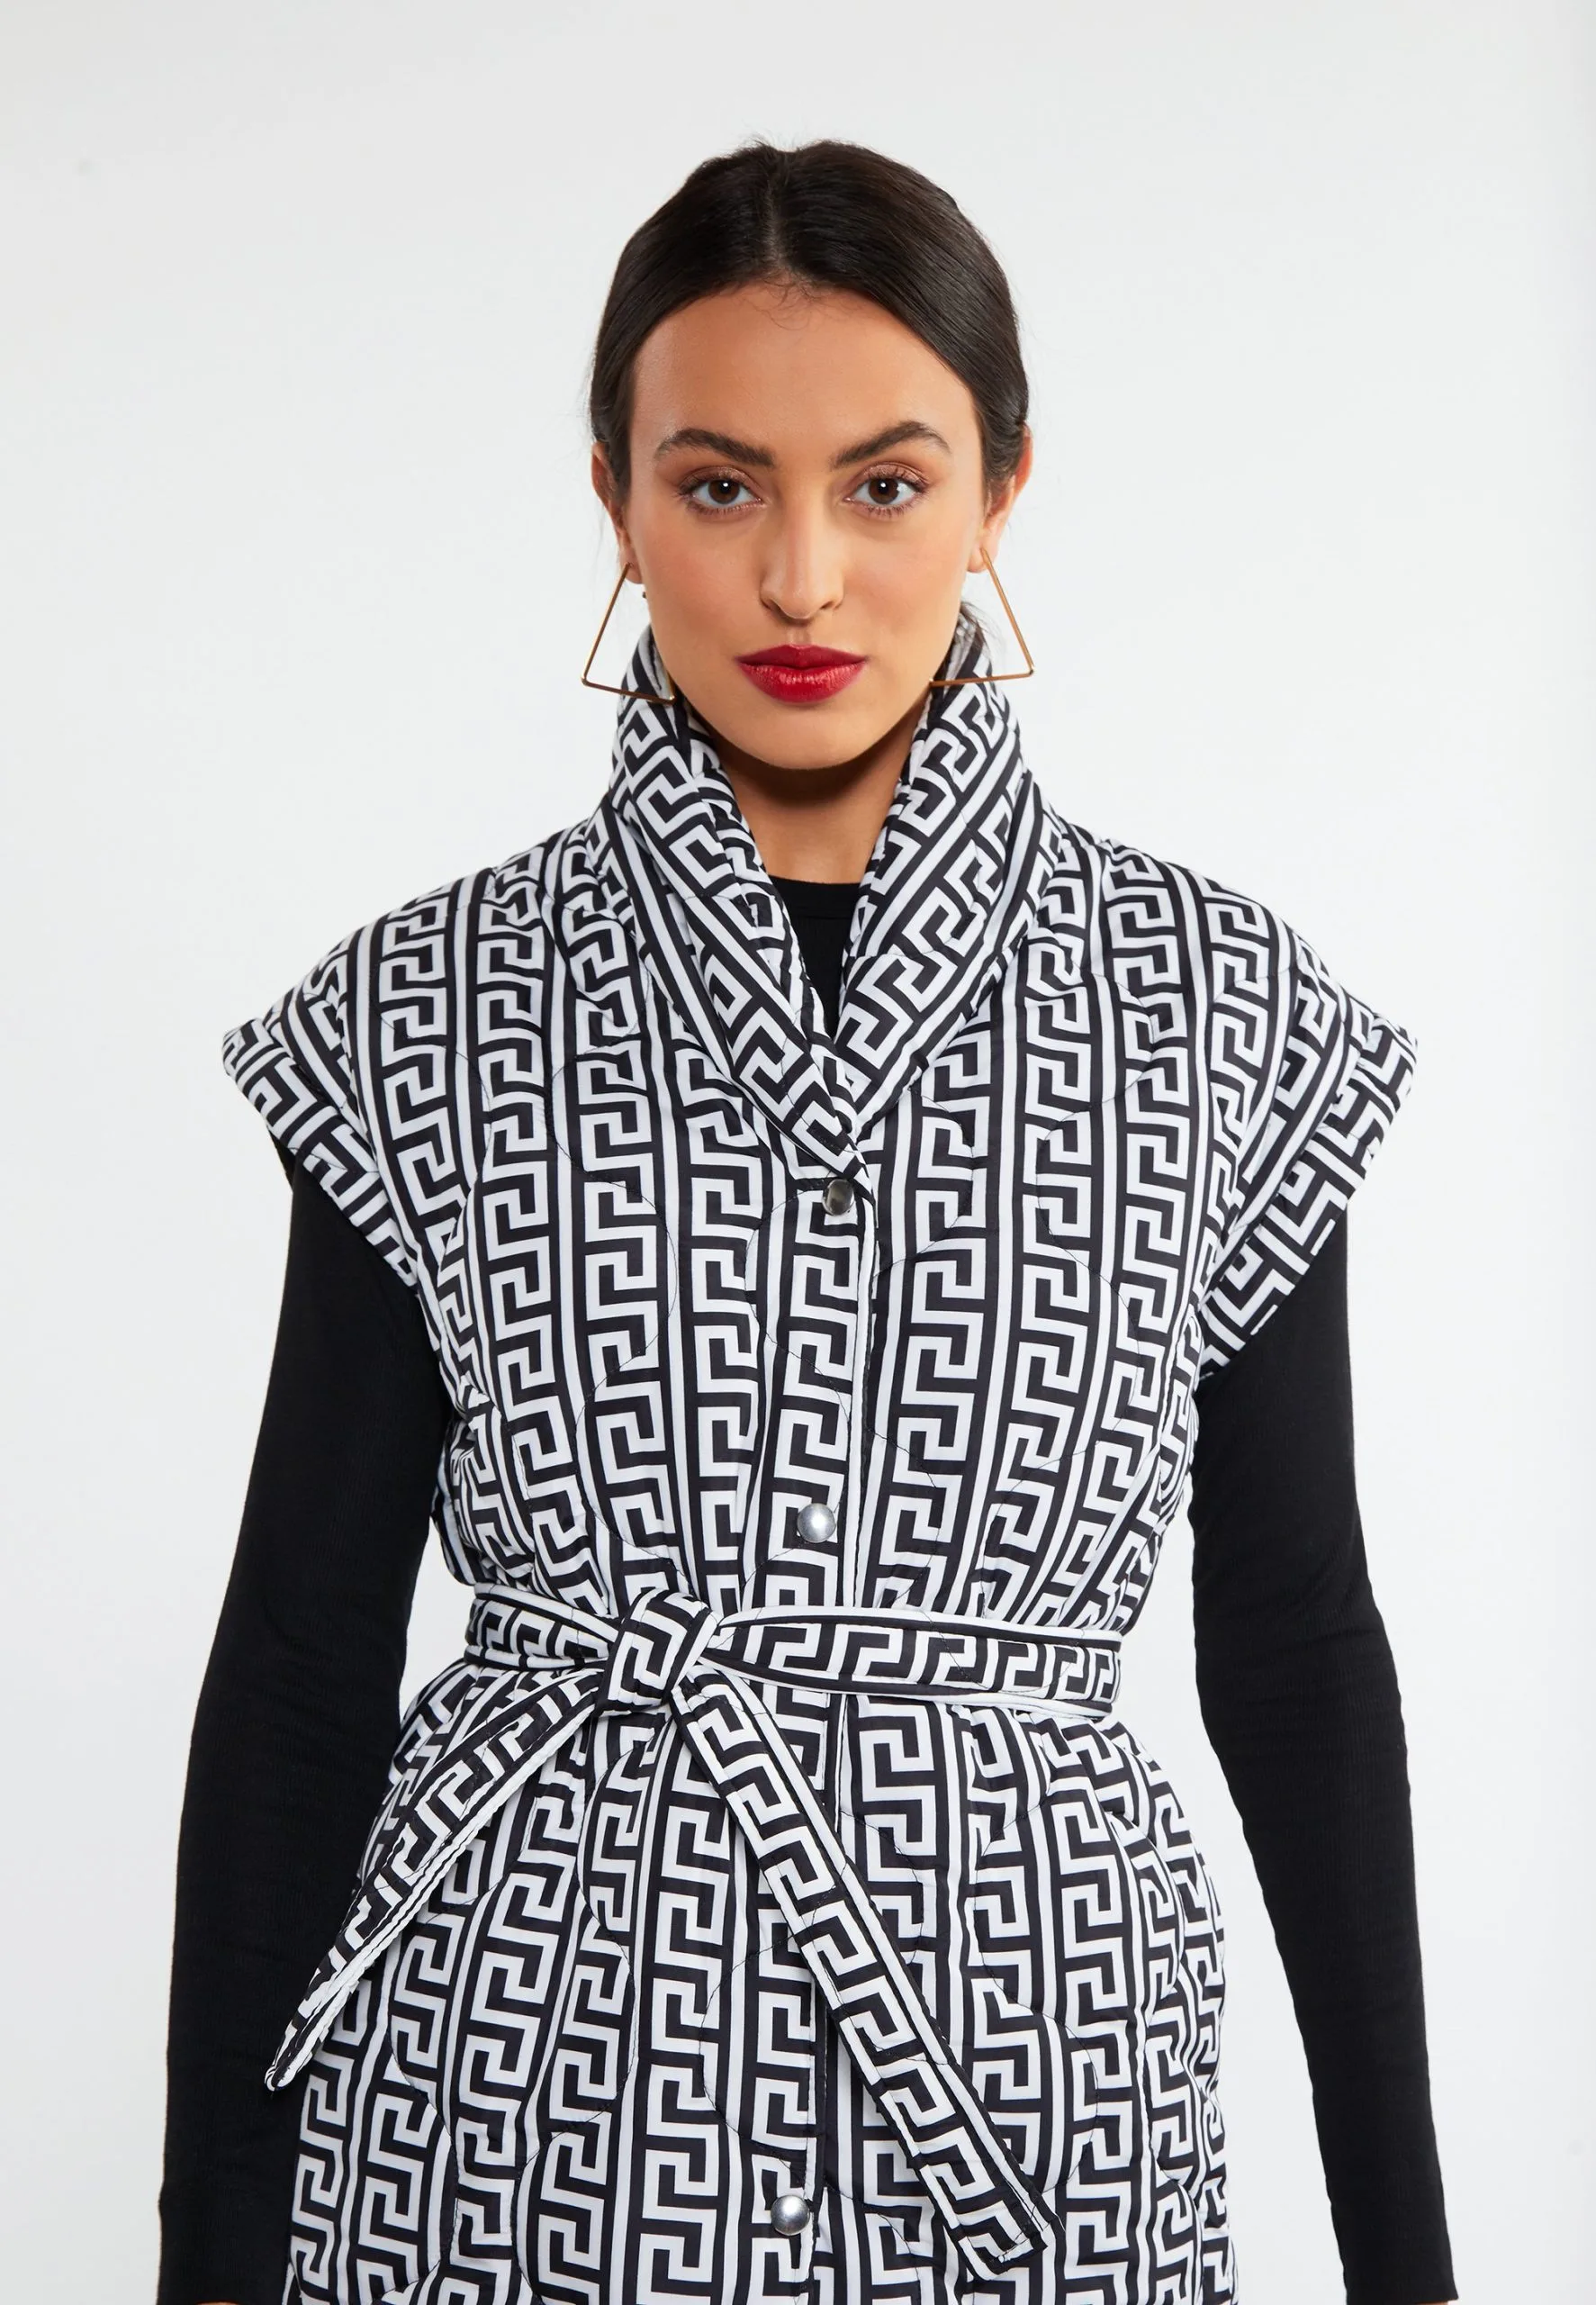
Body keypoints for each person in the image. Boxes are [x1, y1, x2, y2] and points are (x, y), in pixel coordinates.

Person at [158, 140, 1456, 2305]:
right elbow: (301, 1655)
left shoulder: (1218, 1013)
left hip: (1041, 2073)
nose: (799, 578)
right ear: (613, 499)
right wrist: (209, 2249)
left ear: (1000, 491)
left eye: (883, 484)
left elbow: (1297, 1647)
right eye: (717, 484)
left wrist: (1408, 2261)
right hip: (514, 2095)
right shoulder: (429, 1007)